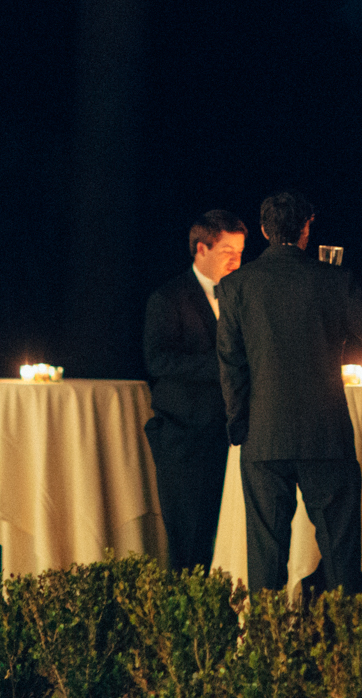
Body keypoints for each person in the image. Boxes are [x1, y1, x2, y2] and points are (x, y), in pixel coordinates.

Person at [216, 190, 362, 594]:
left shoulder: (236, 286)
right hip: (325, 434)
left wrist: (239, 424)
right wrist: (344, 292)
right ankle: (345, 645)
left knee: (265, 557)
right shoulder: (333, 279)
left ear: (263, 230)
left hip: (263, 435)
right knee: (340, 554)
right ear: (308, 230)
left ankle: (269, 647)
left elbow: (230, 364)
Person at [143, 210, 247, 573]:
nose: (236, 261)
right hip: (186, 438)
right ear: (200, 249)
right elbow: (158, 361)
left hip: (231, 437)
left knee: (228, 539)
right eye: (227, 252)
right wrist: (225, 365)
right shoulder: (168, 298)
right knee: (189, 543)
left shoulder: (242, 299)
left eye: (240, 252)